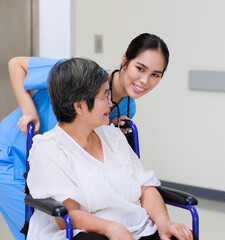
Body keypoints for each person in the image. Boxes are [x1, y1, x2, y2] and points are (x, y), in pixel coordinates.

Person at [0, 33, 170, 240]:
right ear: (125, 61)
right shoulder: (77, 76)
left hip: (61, 173)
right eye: (140, 68)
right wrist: (29, 111)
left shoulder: (127, 107)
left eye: (155, 74)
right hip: (13, 154)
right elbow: (17, 65)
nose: (144, 80)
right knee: (34, 227)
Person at [27, 58, 195, 240]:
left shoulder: (113, 137)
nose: (110, 103)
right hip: (82, 232)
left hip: (136, 229)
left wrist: (164, 224)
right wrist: (111, 228)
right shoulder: (49, 148)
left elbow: (146, 188)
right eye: (105, 96)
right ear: (80, 106)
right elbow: (66, 216)